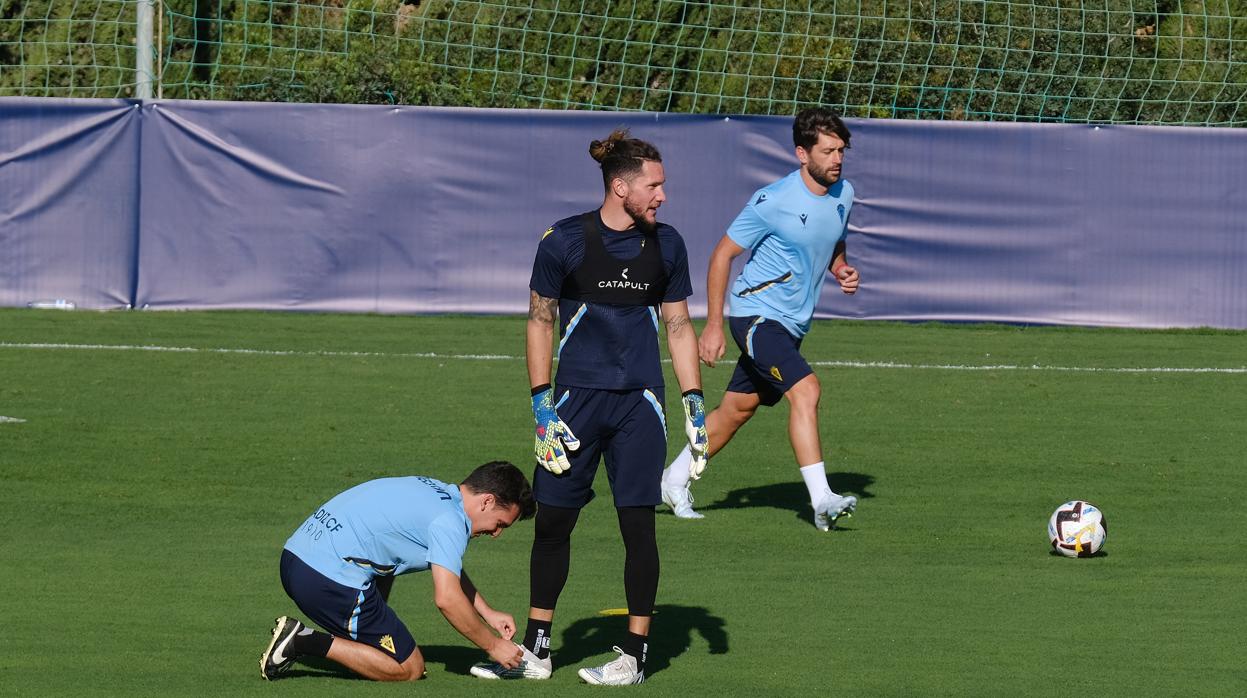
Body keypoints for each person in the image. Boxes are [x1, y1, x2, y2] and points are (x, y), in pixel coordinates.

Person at [470, 129, 706, 686]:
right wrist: (541, 406)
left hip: (640, 408)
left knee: (638, 527)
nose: (663, 196)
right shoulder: (564, 241)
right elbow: (539, 320)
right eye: (654, 186)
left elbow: (677, 325)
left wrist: (694, 402)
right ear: (620, 186)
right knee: (551, 522)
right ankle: (537, 650)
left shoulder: (668, 245)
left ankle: (635, 656)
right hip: (573, 406)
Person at [659, 107, 861, 531]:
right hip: (754, 315)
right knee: (806, 391)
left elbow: (832, 242)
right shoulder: (773, 201)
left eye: (841, 150)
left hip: (791, 325)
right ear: (801, 154)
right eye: (828, 151)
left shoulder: (845, 194)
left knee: (736, 409)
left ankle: (674, 480)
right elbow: (722, 255)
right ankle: (821, 498)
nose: (837, 159)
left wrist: (840, 268)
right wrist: (714, 325)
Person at [258, 461, 536, 681]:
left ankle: (358, 645)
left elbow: (447, 566)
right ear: (487, 501)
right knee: (408, 668)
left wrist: (487, 612)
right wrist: (492, 646)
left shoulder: (434, 490)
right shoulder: (450, 521)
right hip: (326, 580)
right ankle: (302, 640)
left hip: (296, 556)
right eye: (500, 523)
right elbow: (447, 599)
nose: (496, 533)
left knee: (384, 570)